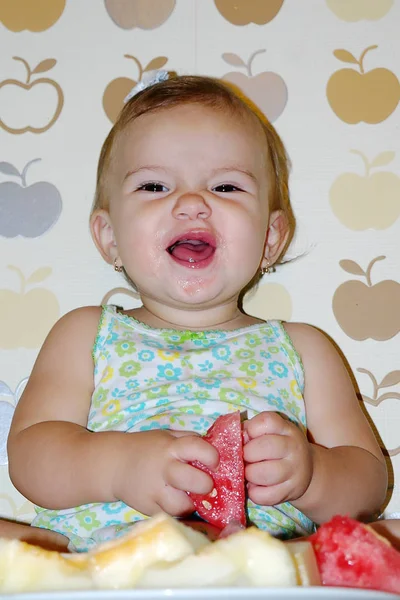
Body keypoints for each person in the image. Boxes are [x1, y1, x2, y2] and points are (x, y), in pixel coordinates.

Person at [7, 72, 389, 552]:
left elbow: (369, 483)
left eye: (226, 188)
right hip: (104, 566)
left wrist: (311, 474)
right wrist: (117, 465)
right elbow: (30, 456)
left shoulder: (304, 347)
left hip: (258, 569)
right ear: (109, 237)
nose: (192, 203)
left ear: (270, 238)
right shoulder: (86, 333)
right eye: (153, 186)